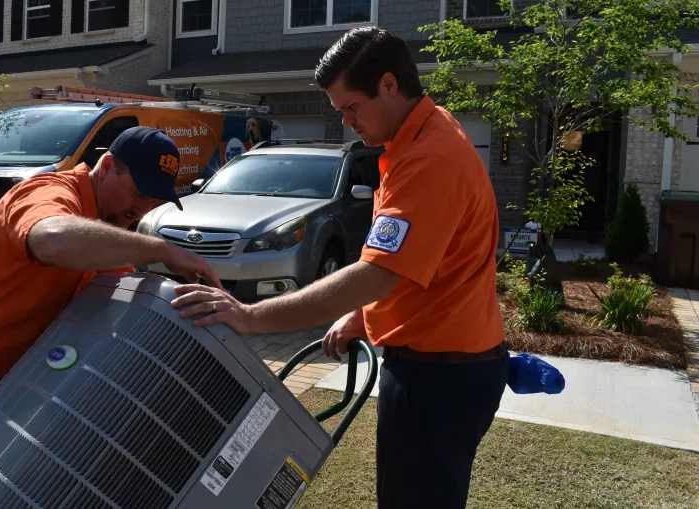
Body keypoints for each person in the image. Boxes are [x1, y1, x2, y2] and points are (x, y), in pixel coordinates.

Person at [170, 27, 508, 509]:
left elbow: (376, 272)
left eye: (352, 108)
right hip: (438, 365)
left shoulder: (431, 158)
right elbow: (415, 263)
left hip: (441, 378)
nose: (348, 123)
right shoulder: (422, 134)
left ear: (389, 85)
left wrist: (251, 316)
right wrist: (364, 315)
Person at [0, 126, 222, 468]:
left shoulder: (104, 234)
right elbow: (52, 240)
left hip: (2, 376)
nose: (141, 209)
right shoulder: (49, 192)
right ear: (107, 166)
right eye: (138, 193)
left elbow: (118, 299)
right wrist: (160, 249)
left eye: (153, 202)